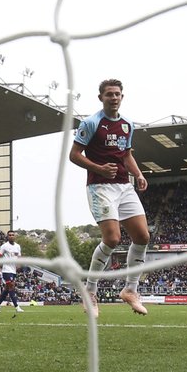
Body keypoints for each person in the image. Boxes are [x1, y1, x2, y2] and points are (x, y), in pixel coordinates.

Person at [70, 78, 150, 317]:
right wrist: (99, 168)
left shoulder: (127, 125)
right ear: (101, 98)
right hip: (100, 187)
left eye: (117, 94)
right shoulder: (91, 123)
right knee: (113, 239)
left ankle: (130, 290)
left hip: (124, 186)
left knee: (143, 236)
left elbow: (126, 155)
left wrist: (138, 173)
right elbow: (74, 155)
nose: (113, 98)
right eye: (109, 94)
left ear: (122, 97)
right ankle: (90, 291)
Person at [0, 230, 24, 312]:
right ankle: (17, 307)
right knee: (11, 287)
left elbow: (19, 257)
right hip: (6, 270)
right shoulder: (4, 246)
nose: (11, 236)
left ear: (15, 236)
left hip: (13, 271)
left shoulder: (18, 246)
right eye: (9, 235)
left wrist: (19, 265)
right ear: (7, 237)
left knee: (7, 290)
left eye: (12, 235)